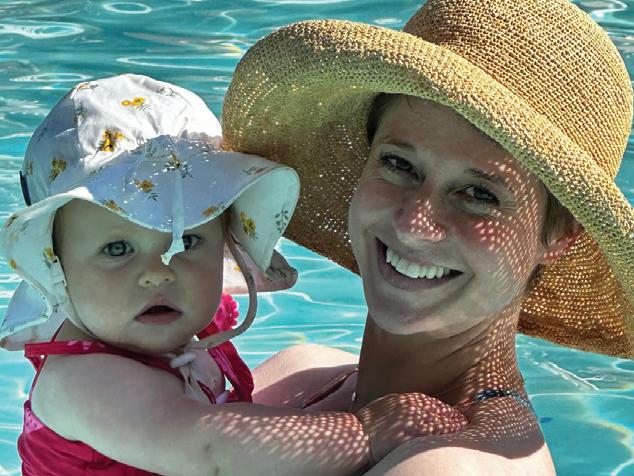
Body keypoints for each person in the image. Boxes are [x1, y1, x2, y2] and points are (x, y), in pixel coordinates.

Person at [221, 0, 634, 473]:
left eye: (479, 194)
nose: (414, 225)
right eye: (398, 164)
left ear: (560, 236)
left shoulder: (451, 465)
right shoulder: (300, 373)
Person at [0, 73, 465, 475]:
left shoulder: (182, 332)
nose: (158, 273)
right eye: (117, 249)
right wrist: (367, 432)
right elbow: (213, 450)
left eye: (186, 242)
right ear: (56, 266)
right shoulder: (84, 380)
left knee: (331, 373)